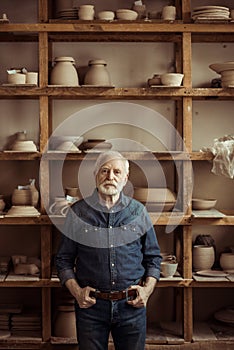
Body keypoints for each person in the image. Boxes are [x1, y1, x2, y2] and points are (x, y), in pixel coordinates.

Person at [55, 150, 162, 350]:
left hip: (131, 305)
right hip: (91, 307)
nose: (110, 177)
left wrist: (146, 291)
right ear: (96, 175)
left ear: (125, 178)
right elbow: (63, 260)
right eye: (104, 171)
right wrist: (78, 293)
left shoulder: (138, 212)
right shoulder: (78, 212)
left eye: (116, 172)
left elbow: (154, 258)